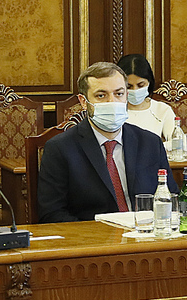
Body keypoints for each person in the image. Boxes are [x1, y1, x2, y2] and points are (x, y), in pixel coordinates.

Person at [38, 62, 176, 223]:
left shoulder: (150, 143)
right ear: (83, 101)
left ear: (126, 96)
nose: (112, 102)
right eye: (101, 96)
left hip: (145, 233)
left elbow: (171, 198)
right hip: (94, 235)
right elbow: (51, 213)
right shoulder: (60, 148)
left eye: (119, 94)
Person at [116, 53, 182, 144]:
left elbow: (178, 143)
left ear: (149, 82)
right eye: (129, 86)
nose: (135, 90)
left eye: (140, 85)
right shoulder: (113, 110)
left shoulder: (162, 110)